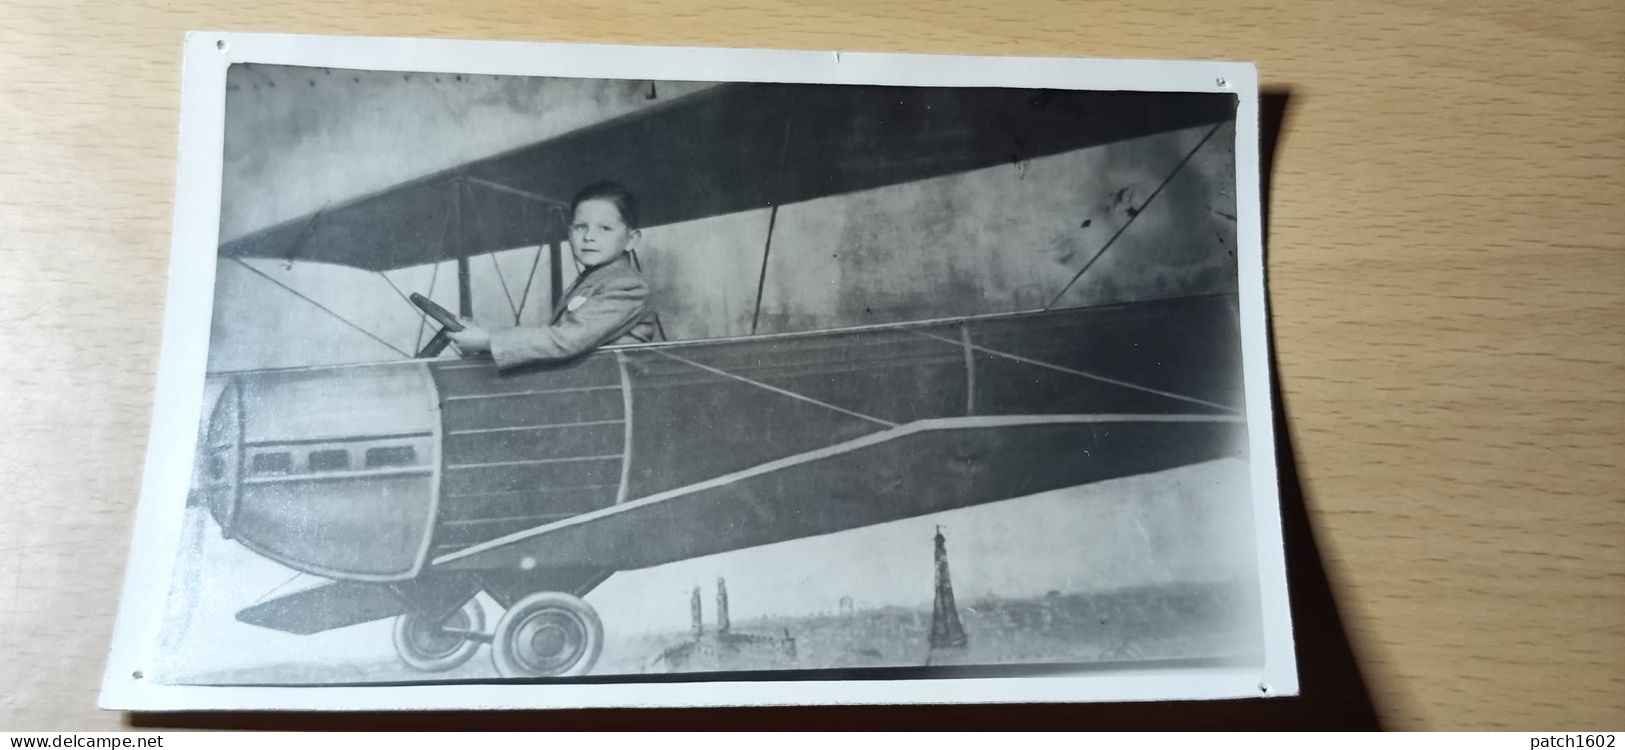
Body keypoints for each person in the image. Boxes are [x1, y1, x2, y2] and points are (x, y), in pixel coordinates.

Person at [448, 182, 657, 368]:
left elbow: (565, 340)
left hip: (610, 390)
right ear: (570, 233)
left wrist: (488, 340)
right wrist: (484, 339)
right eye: (581, 227)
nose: (589, 237)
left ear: (631, 239)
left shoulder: (627, 286)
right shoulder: (593, 279)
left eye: (605, 228)